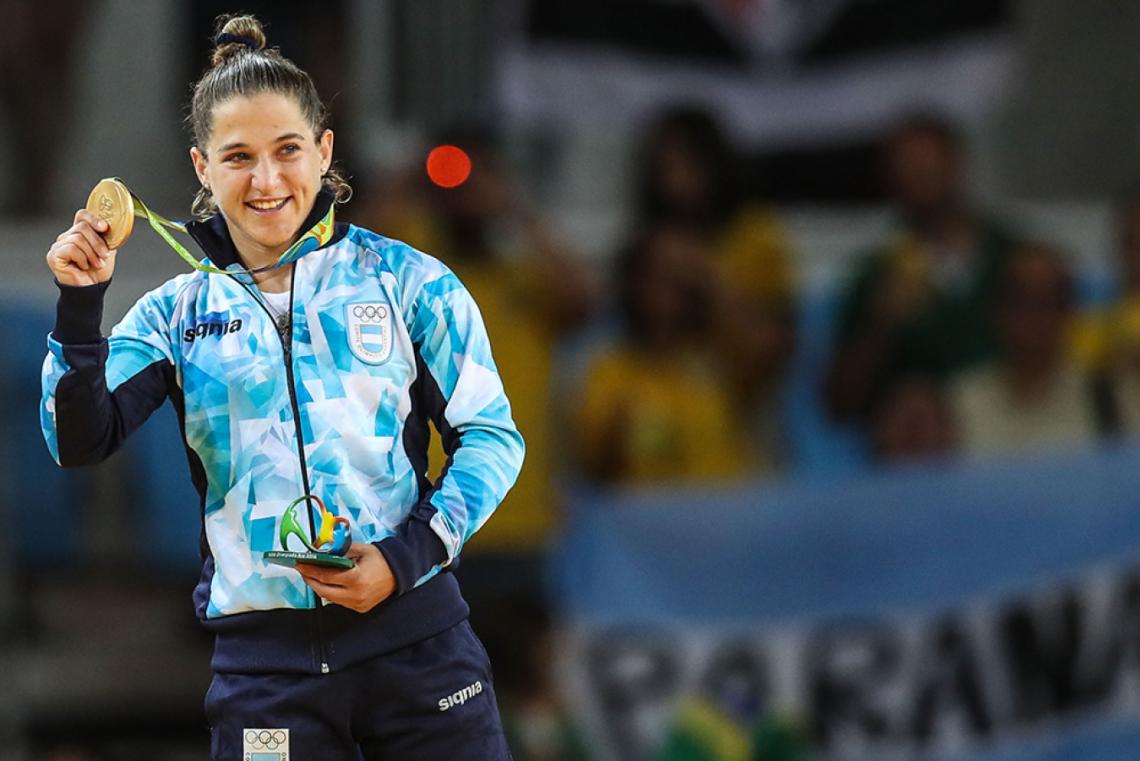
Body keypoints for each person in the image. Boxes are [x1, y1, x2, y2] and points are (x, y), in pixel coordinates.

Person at [40, 15, 523, 761]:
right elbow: (79, 438)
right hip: (268, 678)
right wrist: (79, 308)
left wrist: (403, 559)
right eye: (238, 157)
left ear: (324, 152)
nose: (266, 181)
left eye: (287, 150)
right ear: (201, 167)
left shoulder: (410, 283)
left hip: (421, 648)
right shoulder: (174, 317)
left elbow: (490, 438)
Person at [824, 114, 1022, 427]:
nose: (919, 175)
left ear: (957, 166)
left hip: (1013, 434)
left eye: (928, 163)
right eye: (907, 166)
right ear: (890, 180)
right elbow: (839, 407)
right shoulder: (876, 275)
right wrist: (880, 326)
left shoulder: (1017, 260)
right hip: (922, 452)